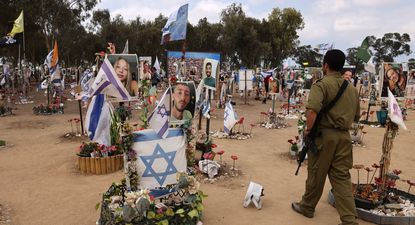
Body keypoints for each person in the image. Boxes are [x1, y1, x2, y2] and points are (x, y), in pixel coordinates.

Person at [292, 49, 360, 225]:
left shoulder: (320, 85)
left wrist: (308, 131)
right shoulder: (352, 89)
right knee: (342, 178)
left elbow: (312, 111)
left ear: (326, 65)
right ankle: (349, 220)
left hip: (324, 136)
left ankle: (307, 206)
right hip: (344, 138)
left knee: (316, 172)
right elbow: (356, 117)